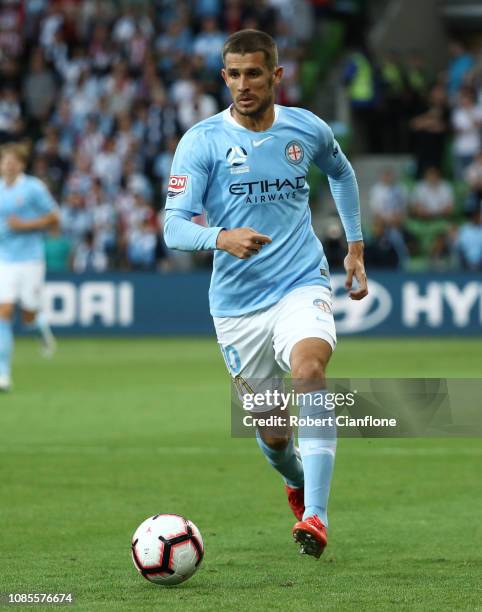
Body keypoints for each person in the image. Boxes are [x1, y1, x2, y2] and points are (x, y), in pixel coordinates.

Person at [164, 30, 368, 559]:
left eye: (254, 73)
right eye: (233, 74)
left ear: (276, 75)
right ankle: (296, 481)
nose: (243, 84)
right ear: (223, 77)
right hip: (237, 306)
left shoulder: (306, 128)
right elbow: (173, 228)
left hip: (301, 282)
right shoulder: (202, 141)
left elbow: (341, 173)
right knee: (275, 434)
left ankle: (317, 516)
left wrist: (355, 246)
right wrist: (219, 237)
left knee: (310, 372)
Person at [0, 143, 59, 392]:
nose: (7, 166)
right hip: (5, 258)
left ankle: (40, 327)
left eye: (12, 162)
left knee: (28, 315)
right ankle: (3, 375)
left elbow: (54, 216)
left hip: (31, 259)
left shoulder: (33, 188)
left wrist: (25, 225)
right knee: (3, 312)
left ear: (21, 165)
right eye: (4, 161)